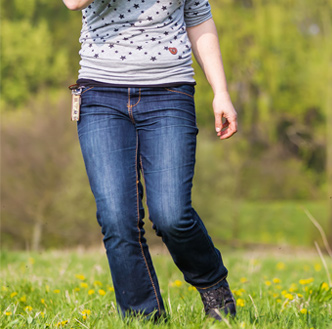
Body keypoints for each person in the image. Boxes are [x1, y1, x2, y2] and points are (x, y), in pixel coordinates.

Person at [62, 0, 238, 321]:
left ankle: (213, 284)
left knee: (172, 215)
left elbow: (199, 19)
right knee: (117, 218)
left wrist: (221, 91)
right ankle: (145, 320)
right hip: (101, 94)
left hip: (170, 92)